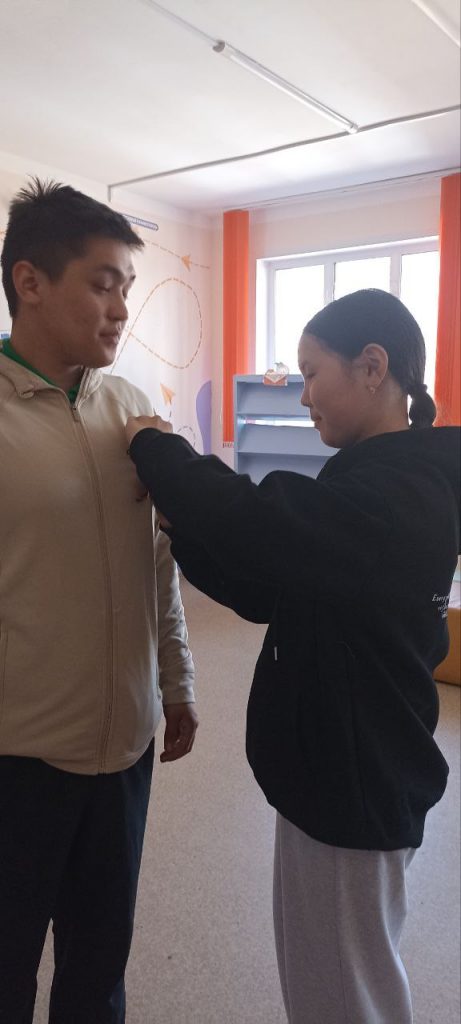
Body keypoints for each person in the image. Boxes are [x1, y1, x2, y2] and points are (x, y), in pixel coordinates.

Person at [125, 288, 460, 1024]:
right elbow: (270, 588)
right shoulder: (380, 478)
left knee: (344, 999)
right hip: (335, 774)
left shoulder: (400, 493)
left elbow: (262, 521)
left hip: (353, 787)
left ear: (371, 367)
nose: (303, 396)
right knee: (338, 983)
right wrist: (180, 526)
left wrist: (157, 448)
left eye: (311, 374)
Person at [0, 179, 198, 1024]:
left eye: (127, 288)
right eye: (102, 284)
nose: (121, 310)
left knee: (97, 971)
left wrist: (176, 681)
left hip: (124, 749)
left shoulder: (130, 410)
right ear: (30, 282)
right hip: (17, 757)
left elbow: (156, 562)